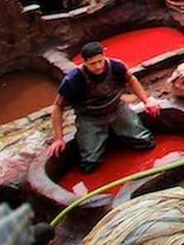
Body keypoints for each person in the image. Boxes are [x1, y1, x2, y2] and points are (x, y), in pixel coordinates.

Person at [49, 41, 159, 173]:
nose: (98, 67)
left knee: (146, 142)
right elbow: (58, 106)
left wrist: (147, 101)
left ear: (104, 56)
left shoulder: (116, 66)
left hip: (117, 109)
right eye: (92, 64)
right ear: (84, 62)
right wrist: (58, 138)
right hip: (90, 118)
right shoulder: (73, 80)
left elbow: (131, 80)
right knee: (90, 163)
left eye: (100, 61)